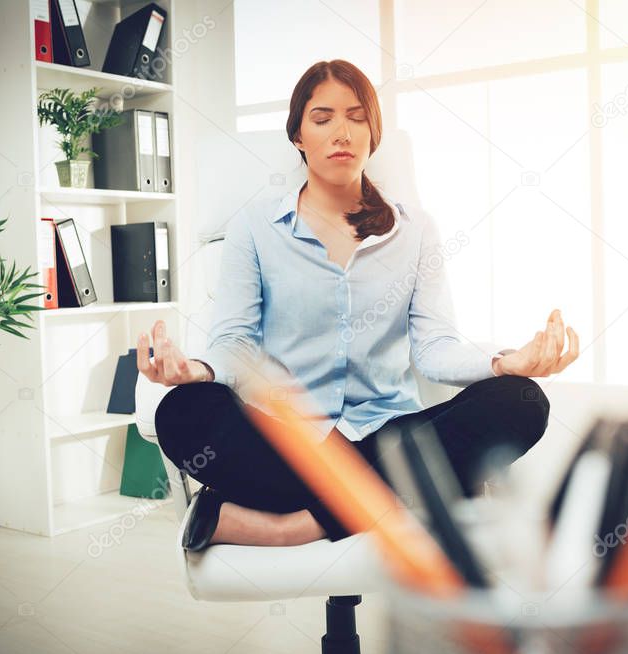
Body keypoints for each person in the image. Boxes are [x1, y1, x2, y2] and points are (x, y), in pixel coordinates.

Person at [137, 59, 579, 551]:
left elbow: (434, 348)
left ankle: (294, 525)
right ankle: (397, 496)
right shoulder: (254, 228)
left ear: (374, 132)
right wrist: (195, 370)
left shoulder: (414, 230)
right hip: (293, 441)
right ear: (299, 136)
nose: (341, 132)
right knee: (184, 412)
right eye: (322, 119)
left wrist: (503, 363)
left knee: (521, 399)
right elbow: (235, 345)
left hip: (390, 432)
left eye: (355, 117)